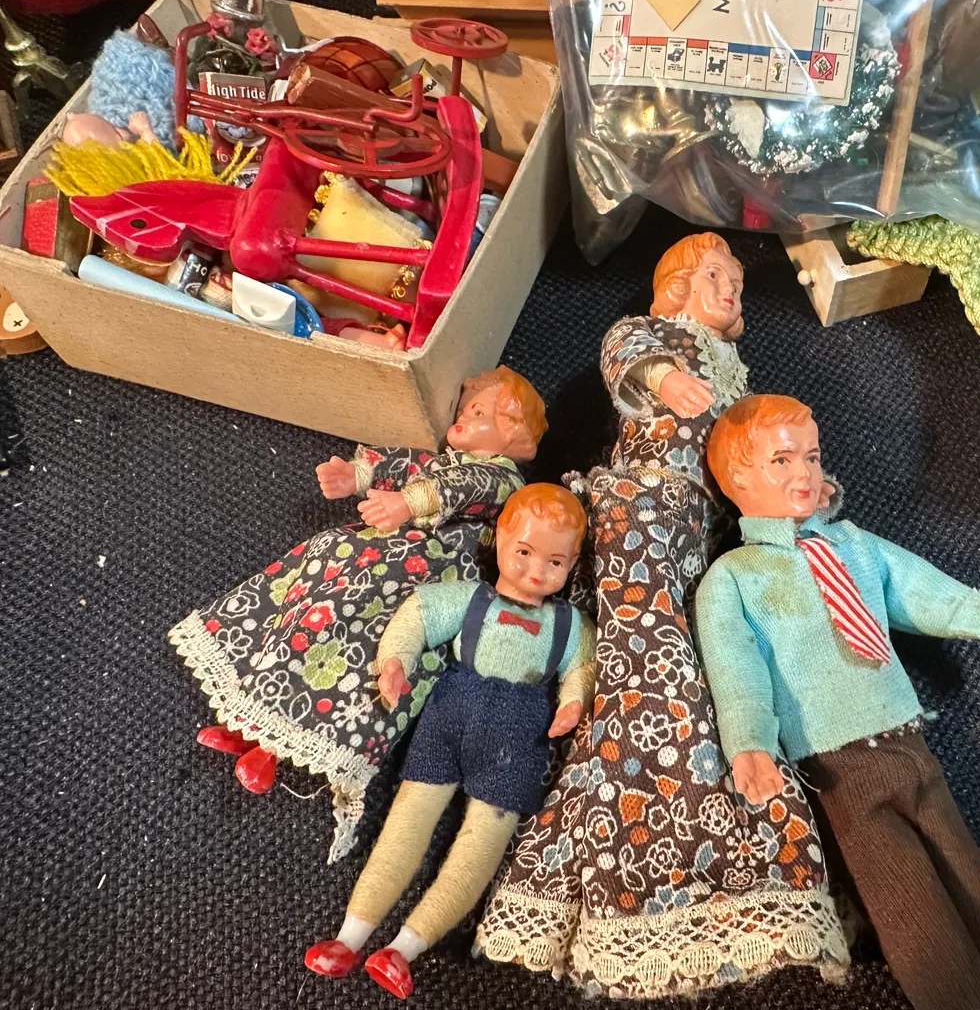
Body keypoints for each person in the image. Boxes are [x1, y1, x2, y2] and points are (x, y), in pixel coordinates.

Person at [479, 235, 848, 995]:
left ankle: (634, 852)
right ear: (675, 285)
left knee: (706, 664)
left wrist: (804, 485)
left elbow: (756, 449)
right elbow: (623, 349)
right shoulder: (660, 335)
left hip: (705, 536)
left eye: (737, 281)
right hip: (643, 505)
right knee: (652, 664)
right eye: (715, 275)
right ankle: (661, 863)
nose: (731, 290)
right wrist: (666, 377)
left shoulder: (737, 373)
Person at [695, 394, 980, 1010]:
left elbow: (918, 587)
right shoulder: (734, 577)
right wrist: (750, 743)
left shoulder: (853, 543)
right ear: (737, 479)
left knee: (978, 894)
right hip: (841, 770)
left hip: (911, 744)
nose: (804, 473)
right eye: (781, 460)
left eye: (812, 457)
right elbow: (737, 670)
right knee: (917, 921)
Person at [170, 366, 546, 861]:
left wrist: (406, 504)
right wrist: (357, 475)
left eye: (479, 413)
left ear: (511, 432)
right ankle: (249, 726)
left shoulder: (502, 480)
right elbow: (408, 465)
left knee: (354, 652)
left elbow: (457, 488)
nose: (463, 416)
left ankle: (271, 751)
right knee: (307, 609)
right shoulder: (443, 461)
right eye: (466, 408)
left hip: (419, 577)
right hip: (371, 554)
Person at [304, 483, 595, 999]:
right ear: (499, 538)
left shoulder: (570, 625)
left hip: (517, 741)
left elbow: (584, 668)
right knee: (404, 825)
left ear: (572, 564)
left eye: (555, 562)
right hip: (448, 720)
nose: (536, 571)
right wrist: (395, 661)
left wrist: (573, 702)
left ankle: (405, 948)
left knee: (479, 851)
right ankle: (350, 936)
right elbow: (416, 616)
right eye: (524, 552)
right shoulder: (470, 597)